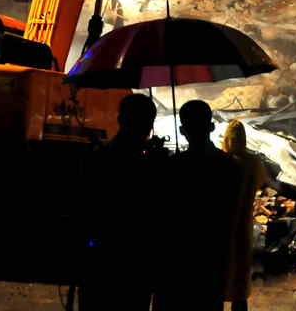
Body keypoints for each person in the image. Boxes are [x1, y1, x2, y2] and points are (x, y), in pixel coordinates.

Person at [153, 100, 241, 311]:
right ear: (211, 127)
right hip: (212, 256)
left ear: (182, 130)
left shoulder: (173, 167)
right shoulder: (230, 166)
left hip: (176, 261)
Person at [82, 93, 164, 311]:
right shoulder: (152, 165)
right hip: (137, 261)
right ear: (150, 125)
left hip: (101, 258)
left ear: (120, 120)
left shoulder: (101, 157)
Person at [222, 120, 268, 311]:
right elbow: (259, 183)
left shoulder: (221, 161)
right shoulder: (253, 162)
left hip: (221, 224)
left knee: (221, 269)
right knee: (240, 269)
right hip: (243, 224)